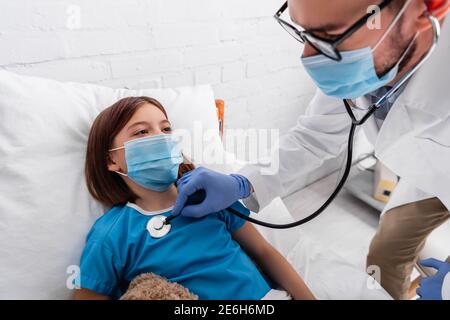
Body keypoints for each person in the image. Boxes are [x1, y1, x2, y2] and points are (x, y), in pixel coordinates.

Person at [172, 0, 450, 300]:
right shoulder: (363, 62)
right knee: (388, 249)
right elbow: (313, 137)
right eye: (306, 35)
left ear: (424, 11)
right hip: (426, 176)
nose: (308, 57)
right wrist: (243, 183)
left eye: (330, 37)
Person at [73, 96, 315, 300]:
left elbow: (264, 252)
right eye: (142, 132)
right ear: (111, 160)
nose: (161, 137)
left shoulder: (211, 196)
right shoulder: (112, 235)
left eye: (166, 129)